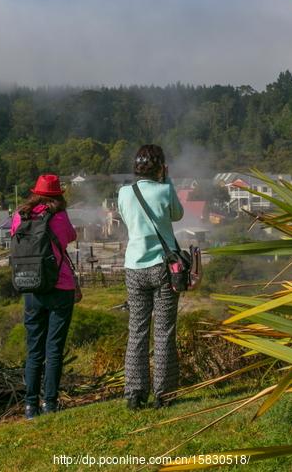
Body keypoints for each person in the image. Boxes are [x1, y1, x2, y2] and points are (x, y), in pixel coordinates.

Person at [117, 144, 184, 410]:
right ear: (160, 167)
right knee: (164, 330)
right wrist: (166, 180)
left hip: (133, 267)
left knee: (137, 330)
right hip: (162, 267)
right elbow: (177, 215)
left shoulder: (124, 193)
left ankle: (134, 394)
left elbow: (126, 219)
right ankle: (163, 394)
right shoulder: (164, 190)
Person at [10, 174, 82, 419]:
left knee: (34, 350)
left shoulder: (20, 215)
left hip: (31, 287)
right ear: (58, 194)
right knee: (54, 349)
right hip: (60, 287)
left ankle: (30, 406)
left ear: (35, 192)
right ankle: (49, 403)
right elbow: (71, 237)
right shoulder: (60, 217)